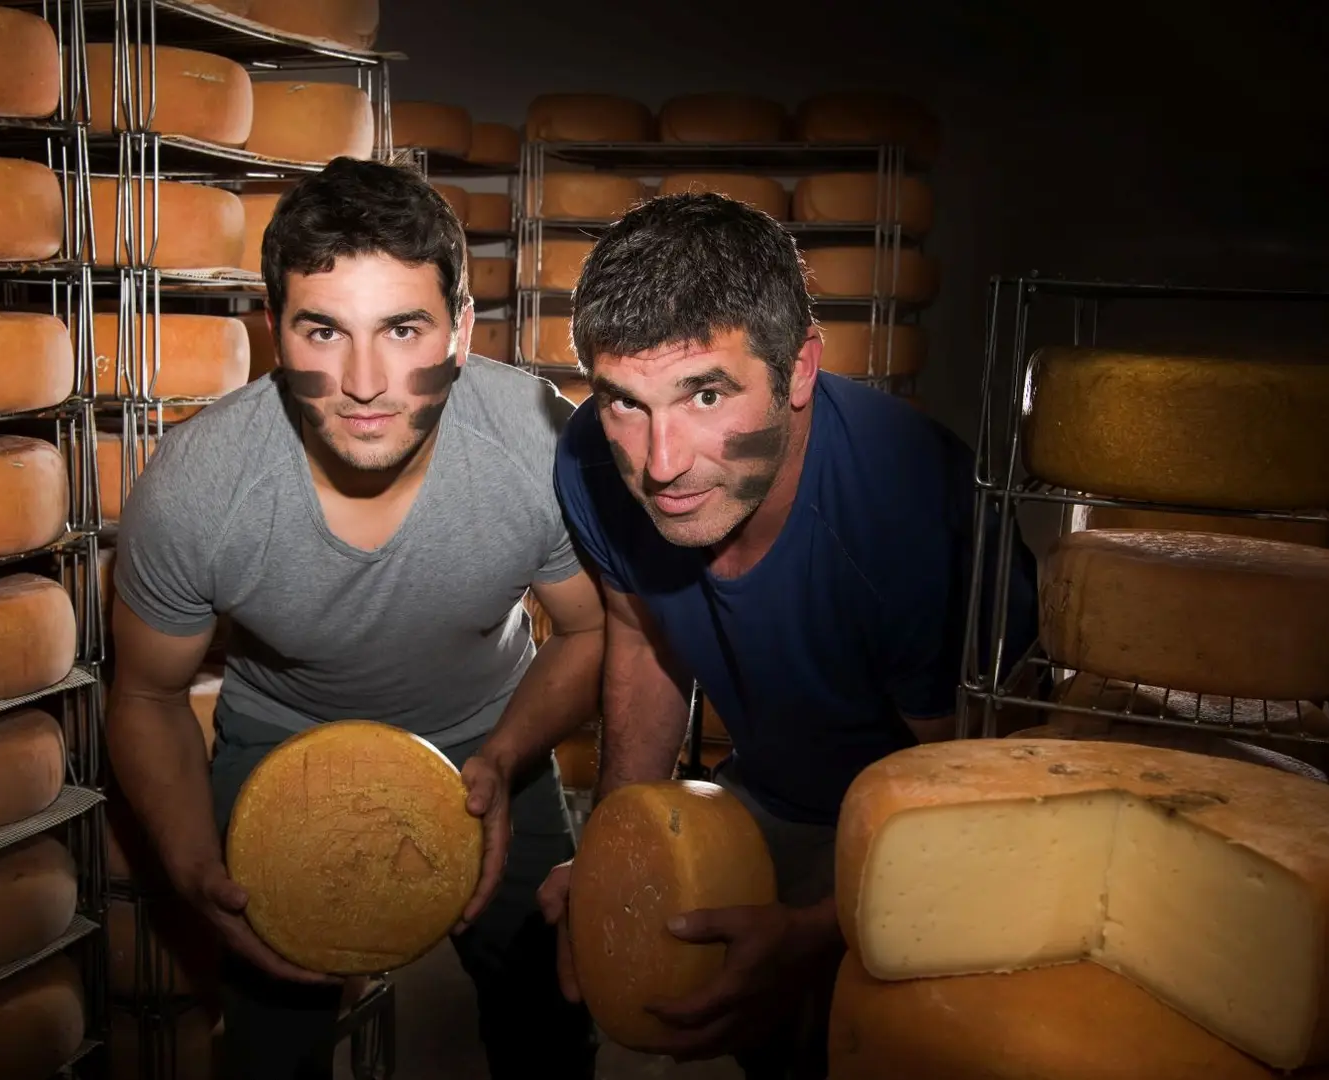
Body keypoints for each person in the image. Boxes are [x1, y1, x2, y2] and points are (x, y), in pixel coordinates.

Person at [106, 157, 602, 1080]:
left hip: (494, 739)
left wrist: (503, 757)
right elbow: (144, 695)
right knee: (269, 1048)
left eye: (403, 329)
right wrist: (186, 865)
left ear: (459, 331)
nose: (366, 382)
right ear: (274, 332)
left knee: (551, 1020)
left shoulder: (540, 442)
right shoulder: (196, 488)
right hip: (284, 746)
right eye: (324, 331)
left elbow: (591, 630)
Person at [537, 192, 1040, 1077]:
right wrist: (615, 852)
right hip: (769, 790)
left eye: (705, 392)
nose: (661, 464)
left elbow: (967, 801)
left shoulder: (911, 514)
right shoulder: (591, 457)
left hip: (942, 814)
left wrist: (818, 931)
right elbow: (643, 643)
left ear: (800, 369)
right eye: (626, 402)